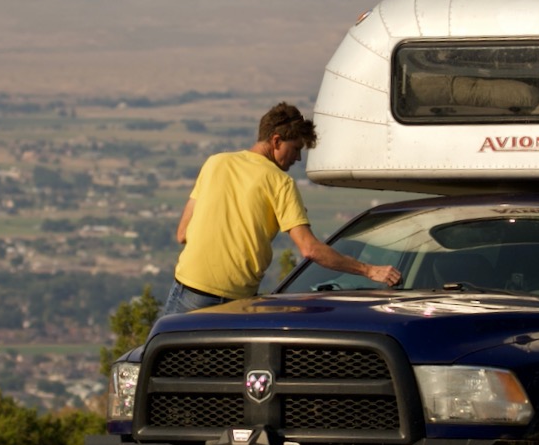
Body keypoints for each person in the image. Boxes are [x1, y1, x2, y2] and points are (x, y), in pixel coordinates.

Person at [160, 101, 401, 317]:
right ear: (276, 141)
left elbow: (182, 233)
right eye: (295, 149)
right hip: (232, 301)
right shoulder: (280, 183)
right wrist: (369, 270)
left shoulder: (215, 162)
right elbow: (310, 249)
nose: (297, 158)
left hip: (185, 289)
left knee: (164, 365)